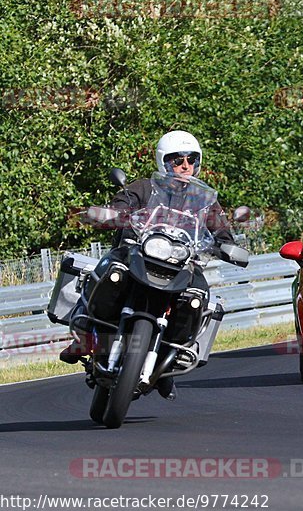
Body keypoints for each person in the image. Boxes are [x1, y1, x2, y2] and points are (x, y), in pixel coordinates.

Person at [59, 130, 235, 400]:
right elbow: (120, 206)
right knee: (110, 269)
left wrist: (226, 246)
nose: (185, 165)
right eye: (177, 159)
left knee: (199, 295)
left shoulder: (206, 202)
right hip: (137, 254)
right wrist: (112, 215)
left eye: (191, 159)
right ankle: (84, 336)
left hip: (182, 263)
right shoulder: (143, 188)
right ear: (163, 161)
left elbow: (222, 233)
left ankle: (173, 354)